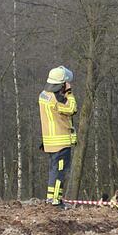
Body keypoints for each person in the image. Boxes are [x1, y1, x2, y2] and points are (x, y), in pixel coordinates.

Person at [39, 66, 77, 206]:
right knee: (60, 172)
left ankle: (51, 198)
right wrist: (69, 93)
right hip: (60, 142)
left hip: (50, 141)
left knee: (54, 171)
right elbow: (72, 109)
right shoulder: (57, 99)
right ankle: (56, 200)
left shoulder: (43, 95)